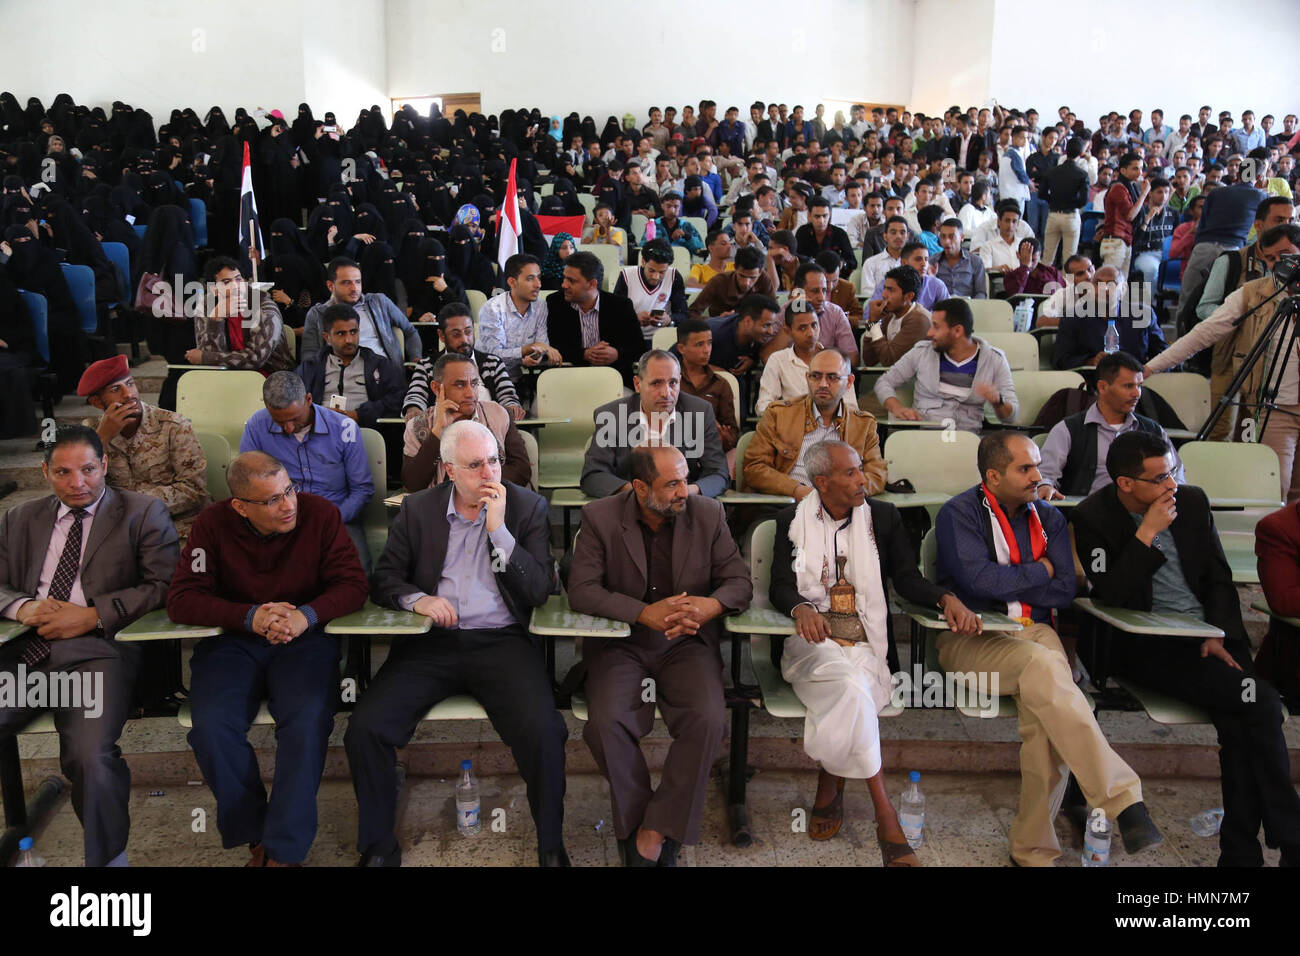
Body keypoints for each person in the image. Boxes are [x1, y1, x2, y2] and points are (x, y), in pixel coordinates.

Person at [1073, 431, 1300, 867]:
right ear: (1125, 483)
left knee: (1244, 721)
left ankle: (1239, 855)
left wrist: (1216, 633)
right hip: (1144, 644)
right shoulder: (1092, 517)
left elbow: (1217, 576)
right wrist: (1148, 535)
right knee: (1262, 704)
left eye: (1172, 472)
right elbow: (1111, 594)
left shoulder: (1192, 502)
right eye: (1159, 479)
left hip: (1208, 641)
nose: (1171, 487)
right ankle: (1288, 835)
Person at [934, 431, 1161, 866]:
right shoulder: (959, 514)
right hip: (971, 638)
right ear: (993, 475)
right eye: (1025, 468)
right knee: (1049, 673)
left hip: (1035, 632)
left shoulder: (1050, 518)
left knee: (1045, 723)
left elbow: (1062, 591)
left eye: (1037, 465)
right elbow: (977, 583)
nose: (1038, 476)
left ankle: (1032, 850)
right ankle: (1123, 800)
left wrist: (1030, 577)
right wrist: (1039, 569)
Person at [350, 419, 568, 867]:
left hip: (501, 641)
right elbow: (385, 579)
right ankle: (377, 846)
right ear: (449, 470)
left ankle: (550, 845)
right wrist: (419, 600)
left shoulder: (526, 507)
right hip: (432, 643)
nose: (489, 474)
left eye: (494, 461)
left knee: (545, 732)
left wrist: (499, 532)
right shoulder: (419, 510)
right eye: (475, 465)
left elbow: (541, 590)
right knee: (365, 729)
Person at [767, 440, 980, 854]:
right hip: (811, 642)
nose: (862, 478)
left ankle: (830, 781)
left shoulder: (882, 518)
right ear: (822, 482)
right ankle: (886, 815)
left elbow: (905, 578)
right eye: (850, 473)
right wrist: (801, 608)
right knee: (849, 683)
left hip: (867, 638)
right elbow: (780, 583)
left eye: (860, 468)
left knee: (853, 685)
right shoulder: (789, 520)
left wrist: (944, 598)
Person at [167, 450, 368, 867]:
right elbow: (183, 599)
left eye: (289, 490)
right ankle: (257, 833)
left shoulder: (320, 514)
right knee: (211, 728)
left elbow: (353, 585)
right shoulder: (212, 525)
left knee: (308, 719)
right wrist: (248, 615)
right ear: (240, 506)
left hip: (304, 639)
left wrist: (305, 616)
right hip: (234, 641)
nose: (289, 504)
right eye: (272, 500)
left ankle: (283, 853)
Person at [0, 425, 178, 867]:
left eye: (88, 470)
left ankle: (109, 862)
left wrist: (95, 613)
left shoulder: (142, 512)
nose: (77, 483)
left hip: (97, 653)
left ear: (105, 466)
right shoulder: (19, 518)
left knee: (89, 756)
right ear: (44, 472)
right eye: (63, 472)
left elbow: (164, 586)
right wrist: (22, 607)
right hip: (25, 652)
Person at [568, 444, 752, 865]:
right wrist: (642, 613)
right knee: (607, 722)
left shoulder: (708, 514)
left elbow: (738, 582)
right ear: (638, 487)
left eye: (685, 479)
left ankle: (652, 830)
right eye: (671, 484)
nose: (683, 491)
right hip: (623, 641)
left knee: (707, 719)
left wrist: (712, 606)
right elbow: (581, 590)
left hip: (688, 642)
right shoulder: (601, 517)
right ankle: (644, 826)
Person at [1145, 224, 1300, 500]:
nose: (1279, 265)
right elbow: (1202, 334)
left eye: (1286, 255)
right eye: (1271, 259)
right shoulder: (1252, 293)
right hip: (1276, 411)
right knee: (1276, 493)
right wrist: (1151, 367)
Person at [239, 371, 374, 571]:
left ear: (308, 400)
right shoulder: (256, 426)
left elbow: (361, 489)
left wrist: (331, 519)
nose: (288, 428)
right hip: (277, 516)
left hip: (335, 516)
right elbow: (248, 483)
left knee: (358, 574)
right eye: (279, 421)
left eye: (294, 418)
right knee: (256, 574)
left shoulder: (343, 427)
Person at [78, 355, 210, 541]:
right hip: (120, 530)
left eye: (130, 384)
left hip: (175, 526)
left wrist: (130, 504)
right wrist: (102, 439)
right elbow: (78, 487)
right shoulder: (91, 433)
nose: (128, 394)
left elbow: (195, 491)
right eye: (116, 389)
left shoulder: (173, 426)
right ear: (97, 403)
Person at [580, 350, 729, 499]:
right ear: (638, 384)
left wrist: (683, 491)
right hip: (628, 505)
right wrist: (642, 493)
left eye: (673, 383)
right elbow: (593, 475)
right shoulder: (612, 415)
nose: (666, 393)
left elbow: (718, 473)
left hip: (682, 506)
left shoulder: (700, 412)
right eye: (656, 383)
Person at [1037, 351, 1183, 498]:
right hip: (1087, 515)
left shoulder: (1153, 430)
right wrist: (1046, 485)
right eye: (1128, 386)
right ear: (1102, 387)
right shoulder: (1068, 429)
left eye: (1139, 386)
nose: (1137, 393)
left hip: (1144, 512)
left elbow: (1177, 476)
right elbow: (1045, 476)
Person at [744, 349, 885, 499]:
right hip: (788, 503)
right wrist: (796, 490)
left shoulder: (863, 425)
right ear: (807, 378)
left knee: (886, 513)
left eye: (832, 377)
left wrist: (839, 492)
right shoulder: (778, 414)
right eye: (815, 376)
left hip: (842, 505)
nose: (823, 384)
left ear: (849, 382)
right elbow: (754, 468)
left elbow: (876, 476)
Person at [875, 298, 1016, 430]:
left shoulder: (994, 359)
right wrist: (897, 408)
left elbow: (1011, 417)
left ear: (957, 331)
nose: (929, 333)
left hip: (967, 440)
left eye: (936, 327)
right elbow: (884, 382)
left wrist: (999, 402)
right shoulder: (922, 352)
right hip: (923, 436)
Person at [402, 353, 532, 491]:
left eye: (474, 384)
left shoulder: (498, 414)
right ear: (436, 388)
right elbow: (413, 484)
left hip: (495, 503)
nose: (471, 394)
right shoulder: (417, 426)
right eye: (460, 385)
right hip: (440, 510)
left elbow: (521, 472)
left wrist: (470, 485)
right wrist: (438, 432)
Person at [403, 302, 524, 420]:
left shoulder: (493, 363)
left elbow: (508, 396)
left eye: (468, 332)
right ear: (441, 336)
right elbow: (415, 397)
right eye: (456, 334)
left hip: (488, 432)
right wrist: (413, 409)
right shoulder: (426, 366)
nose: (464, 340)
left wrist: (511, 407)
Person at [545, 250, 645, 388]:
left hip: (612, 381)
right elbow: (551, 346)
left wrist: (617, 354)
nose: (564, 285)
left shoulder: (621, 306)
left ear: (592, 284)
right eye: (564, 278)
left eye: (571, 281)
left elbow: (639, 347)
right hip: (568, 381)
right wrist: (584, 354)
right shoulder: (555, 303)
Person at [302, 257, 422, 369]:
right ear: (330, 286)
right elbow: (309, 354)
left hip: (384, 376)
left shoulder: (379, 302)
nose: (354, 288)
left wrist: (415, 357)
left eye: (358, 282)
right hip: (339, 378)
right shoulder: (318, 314)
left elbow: (410, 331)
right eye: (347, 283)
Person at [297, 303, 405, 429]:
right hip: (320, 429)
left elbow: (398, 397)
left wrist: (359, 414)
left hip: (364, 429)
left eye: (353, 332)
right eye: (341, 334)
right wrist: (318, 413)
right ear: (327, 337)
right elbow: (295, 401)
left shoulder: (379, 364)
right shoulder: (310, 367)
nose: (349, 339)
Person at [758, 302, 860, 415]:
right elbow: (763, 406)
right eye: (802, 328)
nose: (810, 333)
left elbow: (851, 407)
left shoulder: (837, 360)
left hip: (833, 425)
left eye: (814, 325)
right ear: (788, 331)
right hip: (791, 425)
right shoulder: (778, 360)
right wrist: (790, 415)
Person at [1053, 266, 1167, 369]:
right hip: (1091, 383)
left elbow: (1163, 355)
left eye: (1111, 284)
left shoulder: (1143, 315)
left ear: (1123, 290)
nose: (1104, 289)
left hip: (1137, 382)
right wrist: (1090, 361)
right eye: (1098, 283)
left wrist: (1145, 371)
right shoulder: (1072, 317)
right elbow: (1060, 360)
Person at [476, 253, 558, 383]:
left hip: (520, 379)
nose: (538, 285)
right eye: (530, 278)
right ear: (512, 282)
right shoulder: (493, 308)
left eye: (539, 278)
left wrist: (534, 356)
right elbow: (494, 355)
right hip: (488, 379)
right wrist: (527, 349)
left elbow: (541, 344)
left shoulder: (540, 306)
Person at [675, 319, 739, 457]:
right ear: (681, 348)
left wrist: (725, 438)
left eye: (709, 343)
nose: (706, 350)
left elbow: (732, 430)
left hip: (710, 452)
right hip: (675, 451)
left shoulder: (720, 384)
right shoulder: (670, 381)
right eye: (699, 344)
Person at [860, 265, 933, 366]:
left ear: (909, 296)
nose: (884, 295)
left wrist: (874, 323)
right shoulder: (890, 315)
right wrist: (873, 324)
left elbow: (889, 361)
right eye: (884, 288)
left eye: (891, 290)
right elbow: (869, 360)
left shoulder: (919, 320)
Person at [614, 237, 689, 333]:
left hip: (662, 336)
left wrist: (669, 319)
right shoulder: (627, 276)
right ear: (643, 262)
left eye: (662, 272)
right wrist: (634, 318)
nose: (656, 277)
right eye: (651, 270)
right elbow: (615, 315)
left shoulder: (674, 276)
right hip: (632, 334)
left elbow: (683, 314)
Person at [793, 261, 859, 364]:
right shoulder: (785, 312)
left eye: (824, 291)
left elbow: (852, 359)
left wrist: (824, 358)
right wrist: (794, 316)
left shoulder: (835, 313)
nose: (821, 298)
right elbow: (767, 358)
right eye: (815, 291)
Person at [687, 245, 775, 317]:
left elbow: (773, 311)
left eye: (752, 278)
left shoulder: (764, 279)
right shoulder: (719, 281)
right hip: (720, 330)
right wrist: (717, 320)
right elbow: (692, 312)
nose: (746, 283)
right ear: (735, 268)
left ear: (760, 272)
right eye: (742, 276)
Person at [933, 218, 987, 298]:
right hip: (940, 307)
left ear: (962, 237)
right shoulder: (932, 261)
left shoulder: (975, 261)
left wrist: (975, 306)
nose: (946, 241)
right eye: (943, 237)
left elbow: (981, 292)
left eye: (951, 237)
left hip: (969, 307)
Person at [795, 196, 856, 265]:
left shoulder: (840, 234)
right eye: (817, 216)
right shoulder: (802, 232)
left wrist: (843, 263)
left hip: (834, 273)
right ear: (809, 215)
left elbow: (852, 262)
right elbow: (796, 256)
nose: (821, 221)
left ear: (829, 214)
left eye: (825, 216)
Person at [859, 215, 909, 297]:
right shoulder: (871, 263)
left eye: (902, 232)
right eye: (893, 232)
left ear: (908, 236)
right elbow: (867, 295)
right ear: (885, 236)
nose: (898, 236)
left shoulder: (912, 263)